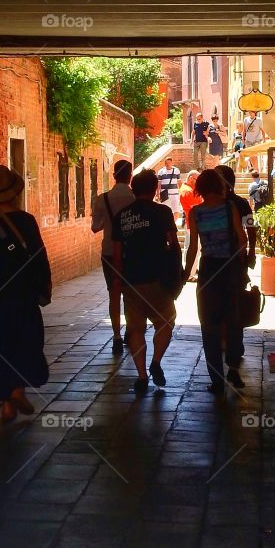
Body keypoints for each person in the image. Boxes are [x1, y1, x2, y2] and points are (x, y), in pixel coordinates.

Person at [0, 165, 52, 423]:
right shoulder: (26, 221)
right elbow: (38, 257)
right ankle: (17, 391)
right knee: (24, 343)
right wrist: (44, 287)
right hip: (22, 294)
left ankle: (7, 404)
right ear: (15, 192)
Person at [112, 168, 182, 397]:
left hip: (131, 280)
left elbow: (117, 253)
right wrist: (177, 270)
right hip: (157, 278)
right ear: (155, 189)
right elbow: (173, 243)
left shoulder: (122, 216)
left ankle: (142, 375)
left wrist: (118, 279)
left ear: (133, 189)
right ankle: (156, 361)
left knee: (135, 329)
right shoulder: (162, 212)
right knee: (166, 321)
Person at [185, 168, 247, 394]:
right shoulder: (230, 207)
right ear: (219, 186)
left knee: (209, 323)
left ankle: (216, 379)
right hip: (230, 268)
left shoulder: (195, 212)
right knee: (233, 319)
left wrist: (185, 274)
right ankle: (234, 368)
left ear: (200, 189)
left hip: (208, 269)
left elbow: (193, 247)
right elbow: (242, 238)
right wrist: (239, 260)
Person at [216, 164, 257, 381]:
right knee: (231, 303)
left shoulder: (239, 204)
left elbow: (250, 228)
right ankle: (230, 343)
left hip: (232, 260)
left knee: (232, 302)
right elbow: (250, 229)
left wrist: (251, 251)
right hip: (226, 260)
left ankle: (230, 343)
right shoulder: (236, 204)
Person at [90, 158, 135, 354]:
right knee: (131, 295)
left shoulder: (103, 199)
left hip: (109, 251)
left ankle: (116, 336)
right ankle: (130, 331)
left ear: (114, 175)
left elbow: (95, 227)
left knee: (114, 294)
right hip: (131, 252)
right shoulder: (135, 198)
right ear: (130, 176)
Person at [157, 155, 182, 221]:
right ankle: (166, 223)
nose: (167, 164)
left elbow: (179, 182)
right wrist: (157, 194)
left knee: (176, 210)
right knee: (163, 211)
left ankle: (173, 223)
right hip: (164, 194)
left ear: (171, 163)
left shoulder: (176, 170)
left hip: (175, 194)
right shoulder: (161, 171)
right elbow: (159, 183)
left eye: (169, 163)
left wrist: (181, 191)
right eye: (166, 163)